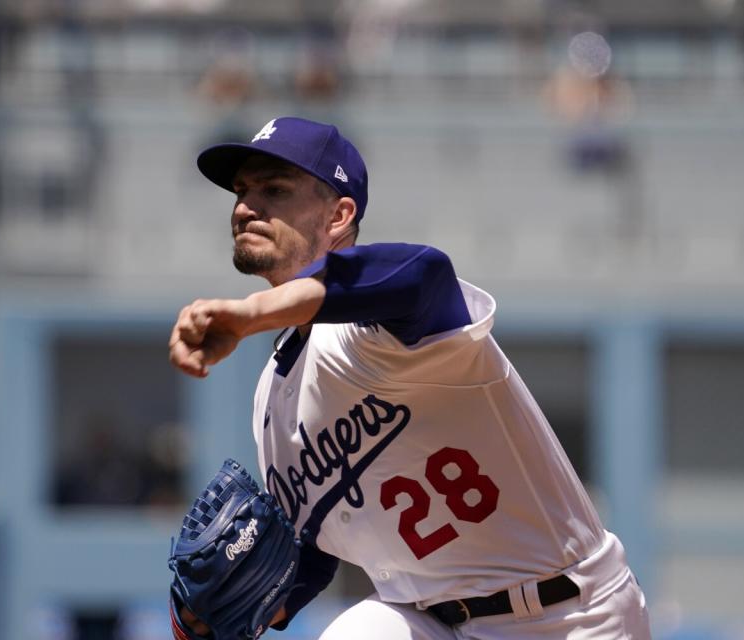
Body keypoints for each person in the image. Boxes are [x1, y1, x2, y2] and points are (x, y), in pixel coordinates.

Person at [168, 116, 651, 639]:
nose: (246, 206)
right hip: (432, 620)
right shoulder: (271, 399)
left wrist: (255, 312)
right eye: (241, 192)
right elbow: (312, 549)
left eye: (274, 189)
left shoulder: (384, 322)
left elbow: (425, 275)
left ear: (339, 215)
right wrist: (232, 609)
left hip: (568, 613)